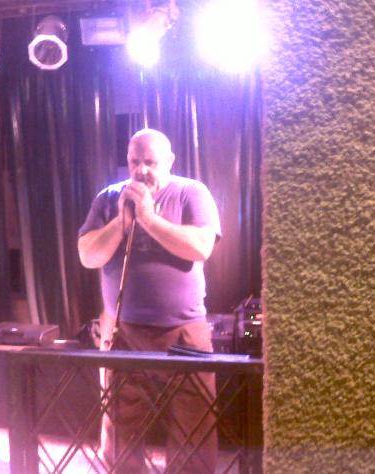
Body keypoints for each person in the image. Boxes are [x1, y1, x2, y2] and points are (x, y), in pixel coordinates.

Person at [78, 128, 221, 473]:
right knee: (120, 426)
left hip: (184, 332)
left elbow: (201, 247)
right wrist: (122, 223)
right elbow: (87, 255)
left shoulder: (191, 192)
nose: (141, 170)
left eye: (150, 162)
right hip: (124, 331)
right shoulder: (109, 198)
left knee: (194, 426)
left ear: (169, 161)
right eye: (134, 162)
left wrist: (149, 219)